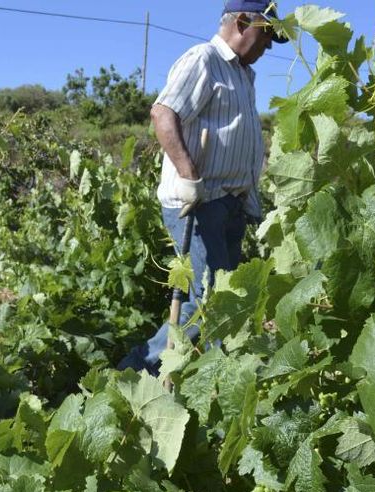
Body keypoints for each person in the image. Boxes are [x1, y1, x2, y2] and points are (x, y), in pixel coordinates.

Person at [118, 0, 288, 375]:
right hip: (198, 202)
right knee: (210, 302)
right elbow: (164, 114)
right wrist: (189, 175)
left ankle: (193, 380)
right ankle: (137, 373)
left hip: (231, 205)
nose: (268, 46)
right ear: (243, 22)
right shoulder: (204, 60)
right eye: (266, 34)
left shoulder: (244, 74)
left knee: (219, 302)